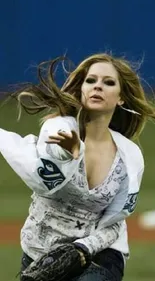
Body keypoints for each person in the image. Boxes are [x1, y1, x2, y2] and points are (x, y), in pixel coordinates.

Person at [1, 53, 155, 281]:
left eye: (108, 82)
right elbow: (47, 167)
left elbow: (114, 225)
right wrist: (68, 154)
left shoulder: (130, 157)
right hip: (41, 255)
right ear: (81, 88)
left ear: (121, 98)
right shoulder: (59, 128)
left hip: (99, 254)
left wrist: (82, 248)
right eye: (91, 81)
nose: (98, 87)